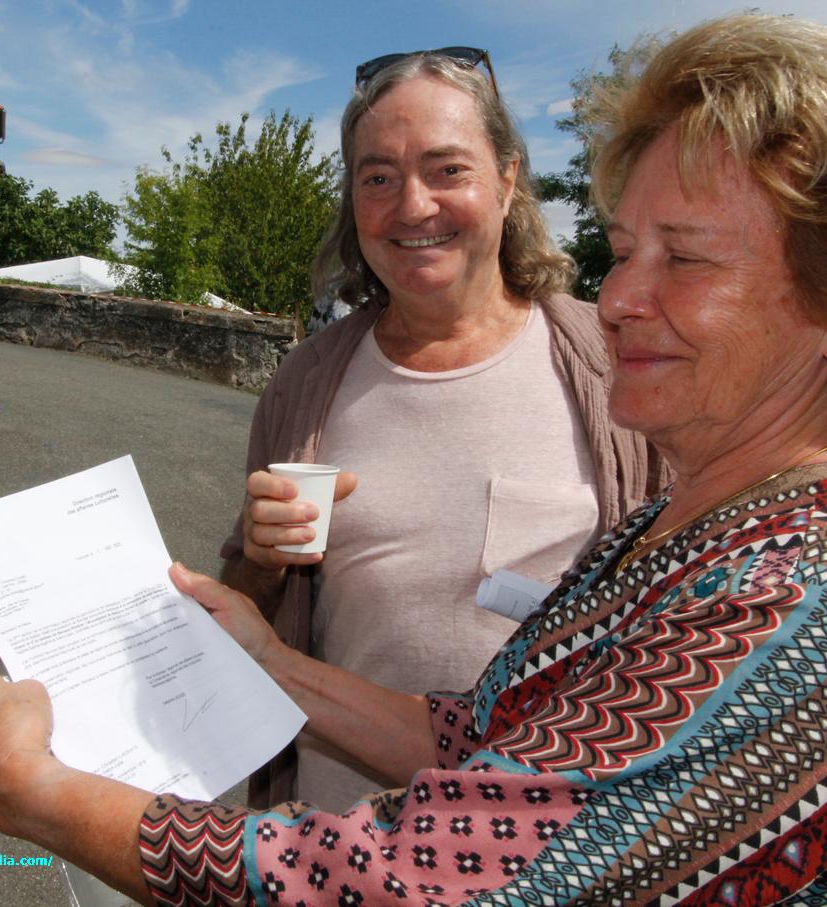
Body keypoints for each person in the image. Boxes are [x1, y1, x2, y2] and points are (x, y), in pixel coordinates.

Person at [0, 14, 827, 904]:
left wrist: (45, 793)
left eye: (689, 256)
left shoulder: (813, 594)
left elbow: (429, 876)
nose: (618, 298)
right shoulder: (677, 531)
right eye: (624, 249)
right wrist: (269, 654)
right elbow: (479, 743)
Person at [221, 48, 666, 810]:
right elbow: (244, 624)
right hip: (334, 847)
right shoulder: (306, 383)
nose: (412, 206)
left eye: (447, 169)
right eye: (379, 177)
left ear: (509, 178)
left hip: (541, 851)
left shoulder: (618, 362)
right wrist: (262, 561)